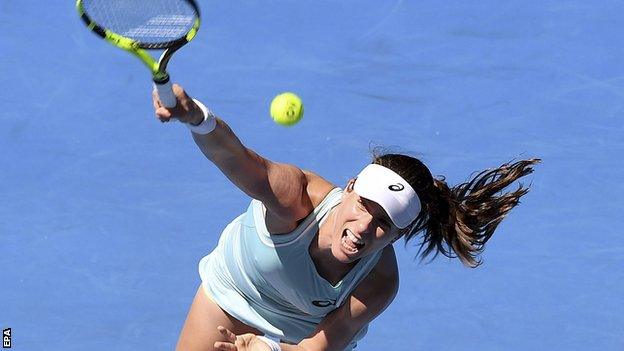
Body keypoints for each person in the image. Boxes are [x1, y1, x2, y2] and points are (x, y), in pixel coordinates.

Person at [152, 85, 540, 351]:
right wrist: (198, 118)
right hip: (232, 296)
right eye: (364, 207)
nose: (364, 230)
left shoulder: (378, 284)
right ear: (350, 187)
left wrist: (268, 348)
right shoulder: (296, 198)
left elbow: (321, 345)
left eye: (383, 225)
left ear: (397, 235)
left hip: (299, 337)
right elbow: (235, 158)